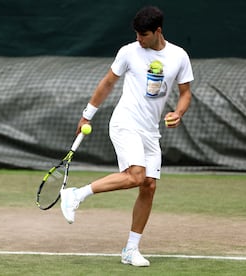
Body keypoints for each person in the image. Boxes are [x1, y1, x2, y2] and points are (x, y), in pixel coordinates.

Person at [60, 6, 193, 267]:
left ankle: (130, 250)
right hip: (125, 123)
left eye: (143, 35)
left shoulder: (179, 56)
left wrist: (178, 112)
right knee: (136, 175)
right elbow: (107, 82)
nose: (139, 39)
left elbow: (186, 92)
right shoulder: (128, 52)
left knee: (149, 186)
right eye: (136, 34)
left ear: (158, 31)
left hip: (150, 130)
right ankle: (76, 194)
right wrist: (87, 114)